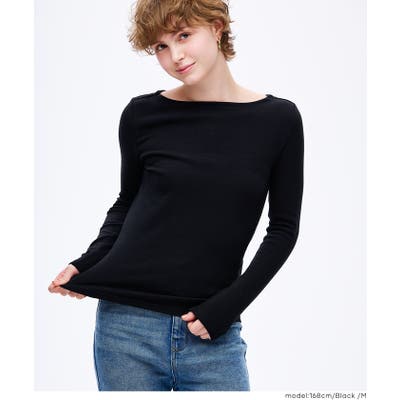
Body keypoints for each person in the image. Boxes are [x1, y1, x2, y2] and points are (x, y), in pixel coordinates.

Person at [48, 0, 304, 391]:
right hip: (125, 328)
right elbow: (128, 202)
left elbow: (283, 229)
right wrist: (88, 261)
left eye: (184, 35)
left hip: (212, 333)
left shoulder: (278, 120)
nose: (175, 56)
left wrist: (228, 306)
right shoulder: (142, 115)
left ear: (216, 27)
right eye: (161, 46)